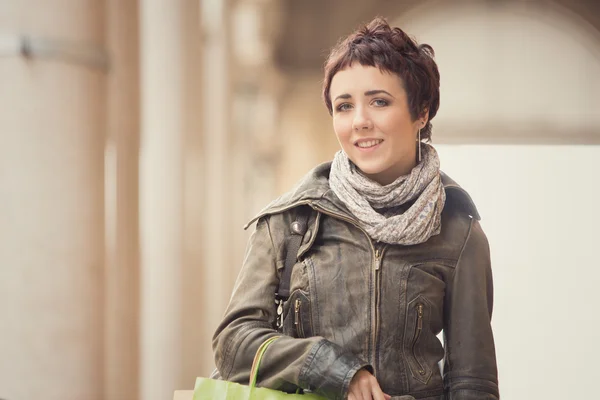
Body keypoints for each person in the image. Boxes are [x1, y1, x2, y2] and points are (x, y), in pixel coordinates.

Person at [212, 17, 499, 400]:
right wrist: (332, 368)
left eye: (379, 102)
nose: (360, 122)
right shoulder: (291, 221)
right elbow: (233, 344)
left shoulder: (459, 231)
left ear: (422, 112)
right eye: (344, 106)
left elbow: (473, 384)